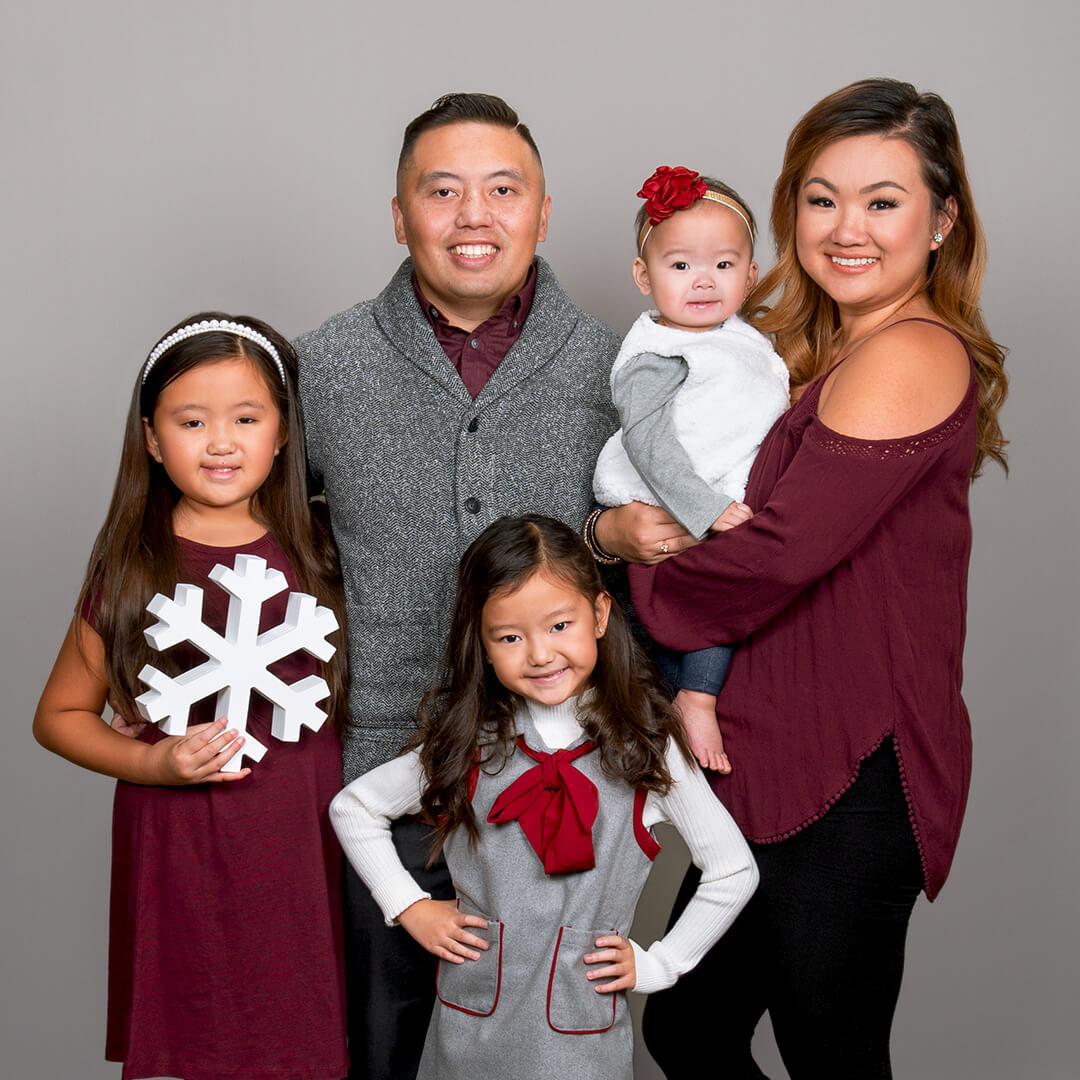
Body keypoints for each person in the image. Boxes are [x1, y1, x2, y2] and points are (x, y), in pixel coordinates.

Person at [629, 78, 1009, 1079]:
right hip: (768, 738)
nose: (848, 227)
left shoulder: (910, 352)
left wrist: (617, 584)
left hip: (856, 757)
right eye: (821, 196)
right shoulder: (800, 353)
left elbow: (777, 554)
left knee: (828, 1048)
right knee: (689, 1027)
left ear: (942, 220)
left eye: (883, 201)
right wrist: (613, 522)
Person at [294, 93, 622, 1079]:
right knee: (382, 1046)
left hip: (570, 790)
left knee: (555, 1047)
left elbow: (668, 575)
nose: (473, 216)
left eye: (502, 189)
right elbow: (243, 535)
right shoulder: (324, 366)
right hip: (387, 783)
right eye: (442, 192)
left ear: (544, 211)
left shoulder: (618, 372)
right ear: (400, 215)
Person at [330, 515, 758, 1080]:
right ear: (480, 643)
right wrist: (409, 906)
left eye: (559, 625)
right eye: (509, 637)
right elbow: (353, 808)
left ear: (600, 615)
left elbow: (732, 870)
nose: (539, 654)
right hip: (468, 1031)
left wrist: (661, 964)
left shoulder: (647, 748)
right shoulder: (467, 742)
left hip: (581, 1041)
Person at [34, 315, 349, 1080]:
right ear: (150, 438)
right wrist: (157, 765)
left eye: (246, 418)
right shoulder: (134, 565)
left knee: (303, 1039)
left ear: (282, 433)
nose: (220, 442)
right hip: (183, 845)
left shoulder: (323, 547)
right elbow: (59, 717)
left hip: (302, 843)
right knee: (200, 1032)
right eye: (191, 421)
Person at [592, 166, 789, 772]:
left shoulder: (741, 340)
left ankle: (688, 714)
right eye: (680, 266)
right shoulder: (657, 352)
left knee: (723, 606)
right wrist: (703, 508)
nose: (703, 281)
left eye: (724, 266)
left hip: (713, 501)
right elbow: (651, 443)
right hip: (667, 505)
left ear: (751, 276)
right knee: (706, 611)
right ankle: (696, 701)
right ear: (643, 277)